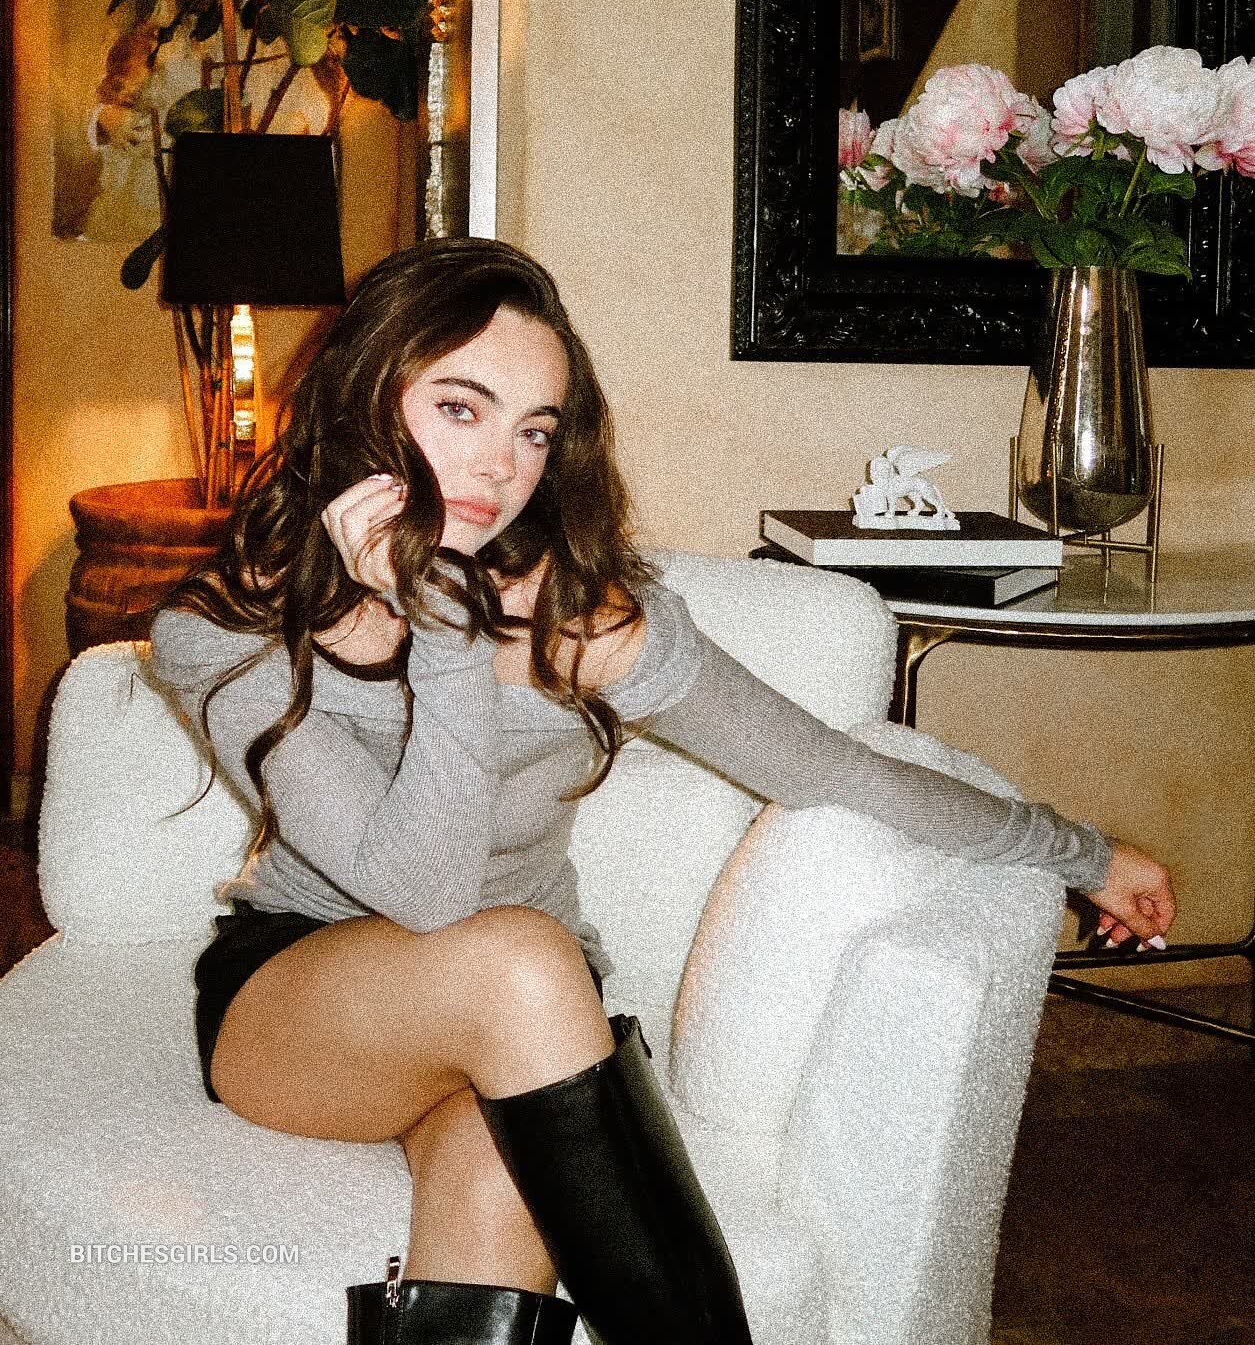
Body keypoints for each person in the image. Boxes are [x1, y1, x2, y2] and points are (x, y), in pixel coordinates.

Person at [147, 237, 1176, 1345]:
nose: (499, 466)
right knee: (520, 953)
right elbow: (428, 894)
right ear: (361, 401)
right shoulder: (229, 628)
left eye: (534, 430)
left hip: (532, 1024)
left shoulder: (585, 616)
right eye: (459, 409)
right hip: (303, 1005)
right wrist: (443, 628)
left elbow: (829, 767)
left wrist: (1081, 851)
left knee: (503, 1167)